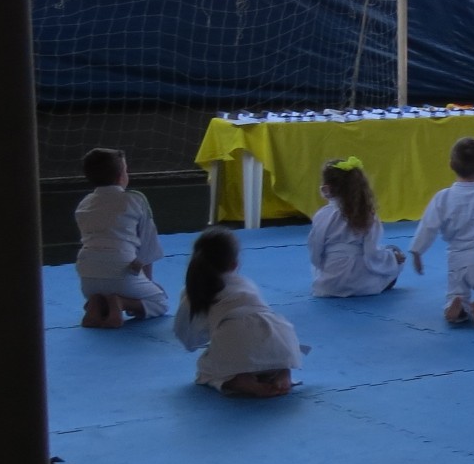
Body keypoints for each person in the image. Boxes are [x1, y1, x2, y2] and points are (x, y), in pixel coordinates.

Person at [173, 227, 306, 397]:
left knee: (205, 369)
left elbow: (188, 337)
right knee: (264, 351)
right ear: (234, 264)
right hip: (283, 341)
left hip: (238, 342)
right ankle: (282, 372)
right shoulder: (246, 283)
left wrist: (207, 339)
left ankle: (238, 380)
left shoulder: (193, 292)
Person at [410, 136, 474, 327]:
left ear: (451, 165)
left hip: (457, 258)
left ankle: (455, 306)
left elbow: (428, 226)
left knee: (455, 293)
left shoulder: (443, 197)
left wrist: (417, 252)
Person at [74, 147, 169, 327]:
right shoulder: (135, 199)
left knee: (106, 284)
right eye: (126, 170)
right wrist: (147, 282)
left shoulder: (84, 203)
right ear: (121, 176)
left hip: (88, 279)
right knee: (160, 302)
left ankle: (96, 303)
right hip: (121, 270)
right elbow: (148, 245)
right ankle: (120, 302)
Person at [307, 155, 404, 297]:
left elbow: (315, 252)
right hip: (361, 284)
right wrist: (392, 258)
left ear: (325, 189)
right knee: (394, 252)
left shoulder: (322, 215)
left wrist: (324, 268)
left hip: (329, 285)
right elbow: (372, 255)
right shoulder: (367, 214)